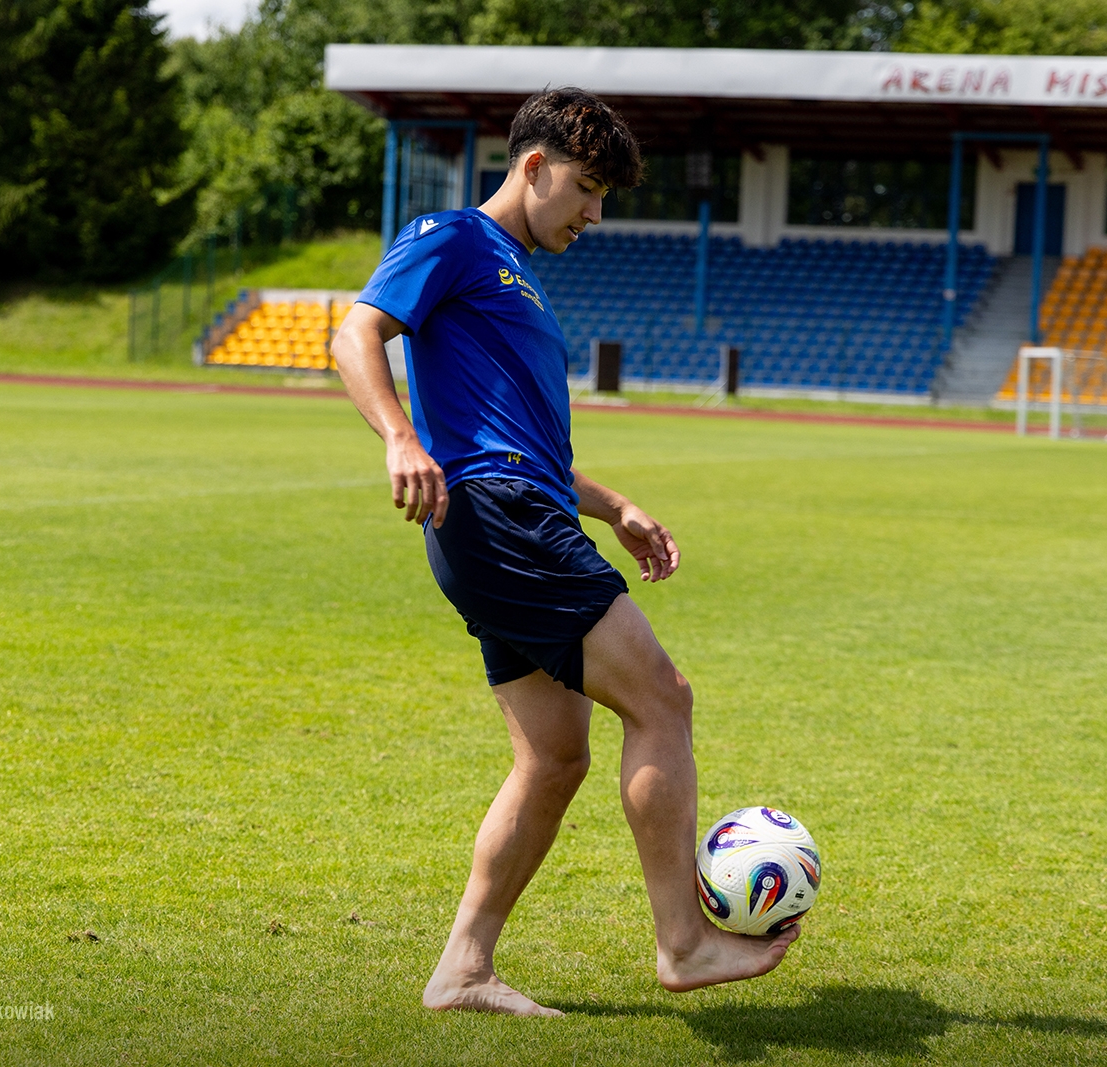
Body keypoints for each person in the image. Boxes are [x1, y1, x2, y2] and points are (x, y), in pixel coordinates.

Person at [330, 87, 797, 1018]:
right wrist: (398, 436)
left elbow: (523, 442)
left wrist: (613, 505)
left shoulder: (513, 272)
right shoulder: (454, 236)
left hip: (508, 514)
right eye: (585, 188)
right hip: (499, 517)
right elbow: (355, 332)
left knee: (553, 756)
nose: (594, 214)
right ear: (534, 165)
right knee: (662, 698)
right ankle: (685, 941)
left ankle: (463, 968)